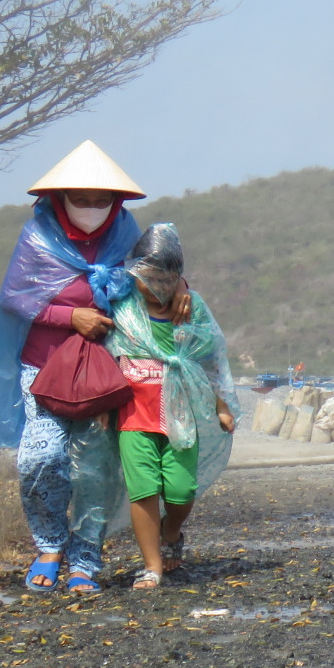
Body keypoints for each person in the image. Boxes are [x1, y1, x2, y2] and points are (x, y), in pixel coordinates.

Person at [0, 141, 172, 596]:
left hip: (103, 375)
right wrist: (71, 317)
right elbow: (16, 299)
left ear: (116, 202)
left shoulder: (127, 240)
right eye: (80, 199)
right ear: (59, 198)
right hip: (43, 368)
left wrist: (179, 289)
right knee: (40, 457)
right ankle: (49, 545)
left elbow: (155, 281)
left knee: (96, 468)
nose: (90, 208)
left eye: (99, 200)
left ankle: (85, 558)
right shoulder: (37, 240)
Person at [105, 224, 237, 588]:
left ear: (179, 277)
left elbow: (211, 358)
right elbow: (104, 353)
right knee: (143, 488)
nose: (158, 287)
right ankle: (152, 567)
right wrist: (102, 407)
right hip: (133, 411)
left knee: (180, 491)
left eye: (168, 278)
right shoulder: (121, 303)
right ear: (134, 272)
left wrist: (222, 406)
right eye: (150, 278)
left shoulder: (191, 309)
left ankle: (172, 532)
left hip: (181, 412)